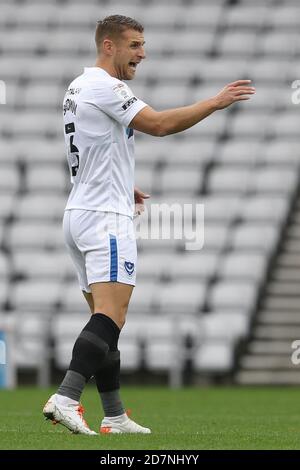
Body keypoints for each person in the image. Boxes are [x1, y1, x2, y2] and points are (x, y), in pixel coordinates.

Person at [43, 15, 255, 435]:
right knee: (110, 316)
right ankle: (65, 397)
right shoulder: (108, 85)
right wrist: (215, 102)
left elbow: (94, 146)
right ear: (109, 46)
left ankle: (115, 415)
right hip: (105, 218)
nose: (143, 53)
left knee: (107, 321)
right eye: (135, 45)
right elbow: (158, 125)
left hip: (82, 211)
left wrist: (124, 186)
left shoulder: (77, 86)